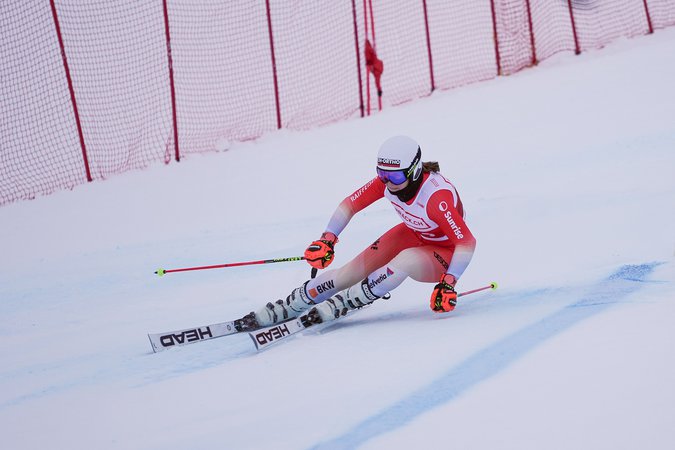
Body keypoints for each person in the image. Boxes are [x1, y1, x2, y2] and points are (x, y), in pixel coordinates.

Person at [235, 135, 476, 331]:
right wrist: (327, 239)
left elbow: (466, 242)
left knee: (407, 260)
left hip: (446, 253)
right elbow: (350, 204)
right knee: (348, 272)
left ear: (413, 170)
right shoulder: (387, 182)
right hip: (414, 233)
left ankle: (350, 300)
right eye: (382, 174)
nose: (387, 182)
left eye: (394, 176)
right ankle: (294, 303)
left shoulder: (436, 197)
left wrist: (448, 283)